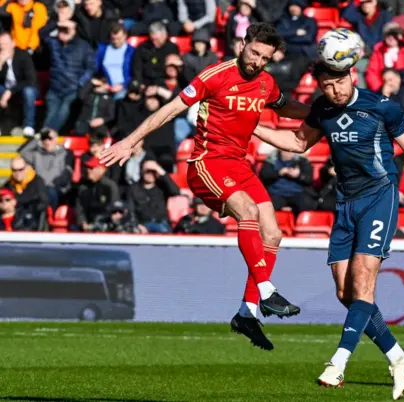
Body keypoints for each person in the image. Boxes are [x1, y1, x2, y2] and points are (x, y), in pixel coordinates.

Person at [100, 23, 311, 350]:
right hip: (207, 163)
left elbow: (287, 107)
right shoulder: (215, 75)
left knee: (274, 233)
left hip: (240, 165)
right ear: (243, 44)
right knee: (249, 211)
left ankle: (247, 312)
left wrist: (324, 111)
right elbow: (171, 109)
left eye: (264, 58)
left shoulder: (266, 83)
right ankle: (267, 291)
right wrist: (129, 141)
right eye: (254, 52)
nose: (257, 61)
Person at [252, 61, 404, 400]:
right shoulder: (323, 109)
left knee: (363, 279)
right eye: (327, 85)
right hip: (345, 203)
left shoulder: (381, 106)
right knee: (346, 293)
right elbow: (297, 142)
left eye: (339, 82)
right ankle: (398, 356)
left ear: (352, 75)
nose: (335, 90)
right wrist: (251, 127)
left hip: (380, 196)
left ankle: (338, 362)